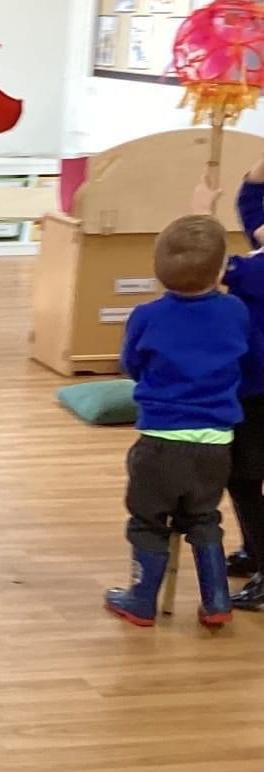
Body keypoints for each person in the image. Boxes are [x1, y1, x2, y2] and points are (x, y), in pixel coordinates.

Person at [103, 212, 250, 628]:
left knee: (148, 521)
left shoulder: (146, 315)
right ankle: (218, 599)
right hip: (216, 443)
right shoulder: (235, 311)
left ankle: (141, 600)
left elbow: (131, 363)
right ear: (221, 269)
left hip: (159, 442)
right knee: (204, 518)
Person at [216, 158, 264, 611]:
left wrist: (201, 212)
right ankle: (254, 547)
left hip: (257, 394)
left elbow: (199, 262)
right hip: (254, 390)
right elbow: (252, 193)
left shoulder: (251, 272)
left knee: (245, 478)